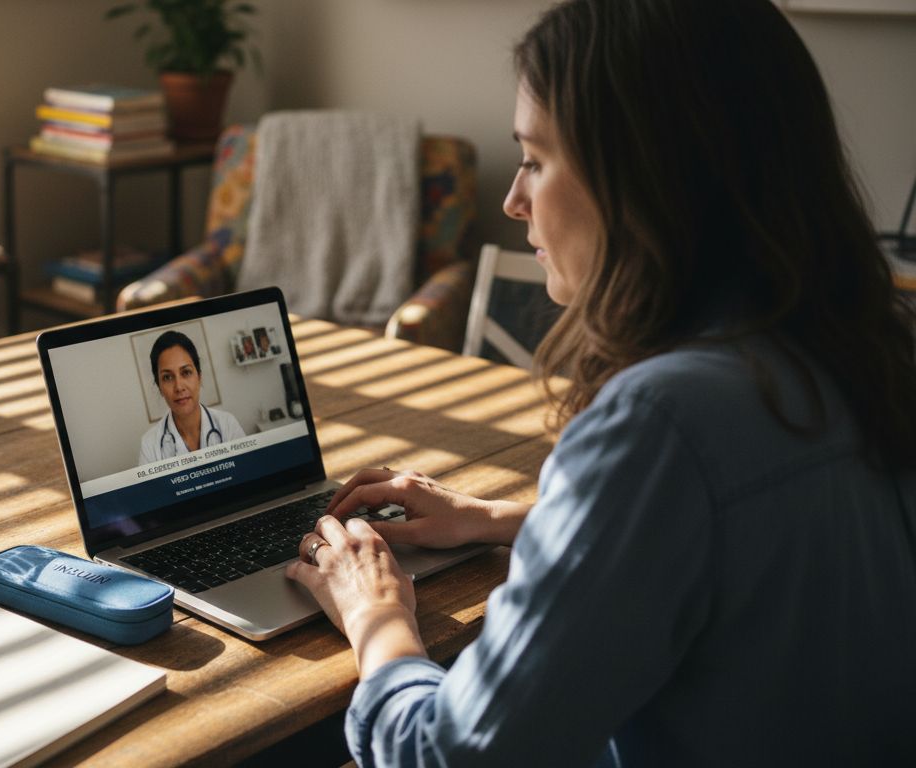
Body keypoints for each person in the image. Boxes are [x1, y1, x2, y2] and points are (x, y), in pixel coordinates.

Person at [285, 1, 916, 765]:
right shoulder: (872, 345)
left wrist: (375, 612)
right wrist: (505, 519)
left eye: (536, 159)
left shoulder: (661, 423)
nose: (515, 200)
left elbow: (449, 755)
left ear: (646, 177)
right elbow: (741, 537)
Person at [138, 330, 247, 465]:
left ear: (199, 377)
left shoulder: (227, 425)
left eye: (186, 372)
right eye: (167, 377)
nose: (179, 387)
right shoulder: (149, 445)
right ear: (159, 387)